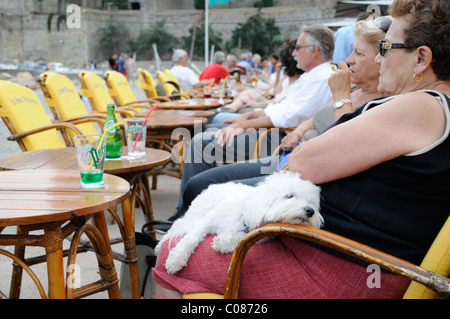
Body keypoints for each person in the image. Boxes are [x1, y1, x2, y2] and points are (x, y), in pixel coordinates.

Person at [154, 0, 450, 299]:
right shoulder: (433, 108)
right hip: (354, 261)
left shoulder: (421, 105)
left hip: (337, 271)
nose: (379, 60)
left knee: (169, 253)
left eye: (385, 48)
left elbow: (301, 163)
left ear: (422, 58)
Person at [177, 16, 386, 219]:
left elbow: (342, 145)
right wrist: (299, 131)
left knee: (200, 152)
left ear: (381, 60)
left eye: (358, 53)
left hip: (293, 166)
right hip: (286, 153)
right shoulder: (350, 87)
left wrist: (340, 97)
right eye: (351, 52)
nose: (348, 60)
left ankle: (185, 222)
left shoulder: (363, 97)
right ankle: (183, 220)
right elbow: (310, 118)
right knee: (200, 173)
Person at [171, 24, 334, 222]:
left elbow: (286, 118)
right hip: (275, 133)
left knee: (201, 142)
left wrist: (243, 124)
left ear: (314, 50)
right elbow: (278, 109)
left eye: (298, 48)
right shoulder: (311, 77)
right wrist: (242, 120)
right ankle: (194, 209)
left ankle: (183, 214)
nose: (294, 53)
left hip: (277, 139)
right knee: (204, 130)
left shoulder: (321, 78)